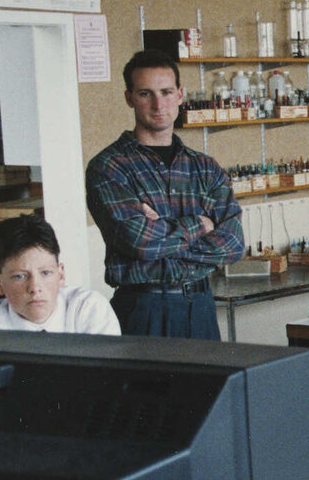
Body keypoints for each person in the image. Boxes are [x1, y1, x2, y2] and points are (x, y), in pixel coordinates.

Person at [86, 49, 244, 338]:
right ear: (129, 98)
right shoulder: (108, 167)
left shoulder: (205, 168)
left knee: (208, 385)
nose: (159, 104)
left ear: (180, 95)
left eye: (166, 92)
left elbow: (232, 245)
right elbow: (139, 242)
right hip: (143, 308)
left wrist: (161, 233)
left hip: (200, 306)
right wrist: (201, 224)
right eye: (146, 93)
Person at [0, 214, 119, 335]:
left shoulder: (88, 310)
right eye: (19, 276)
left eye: (46, 273)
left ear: (61, 275)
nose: (35, 288)